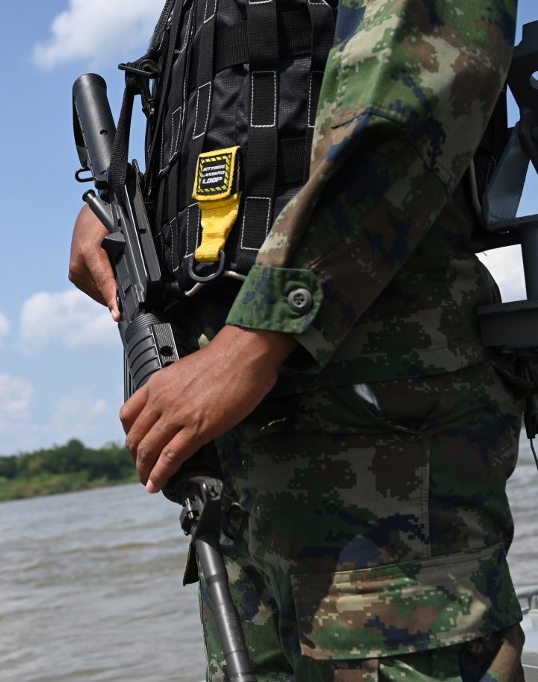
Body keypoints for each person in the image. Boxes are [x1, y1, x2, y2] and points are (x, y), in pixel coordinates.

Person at [68, 1, 526, 679]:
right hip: (237, 467)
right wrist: (119, 208)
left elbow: (415, 98)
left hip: (371, 438)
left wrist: (256, 337)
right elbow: (251, 114)